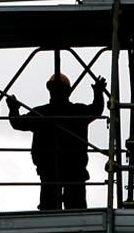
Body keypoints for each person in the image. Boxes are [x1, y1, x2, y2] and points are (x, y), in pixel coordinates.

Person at [7, 72, 107, 211]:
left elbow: (17, 122)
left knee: (51, 211)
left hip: (53, 171)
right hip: (69, 171)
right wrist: (98, 92)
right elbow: (96, 109)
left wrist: (13, 109)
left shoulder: (41, 113)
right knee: (75, 211)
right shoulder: (77, 112)